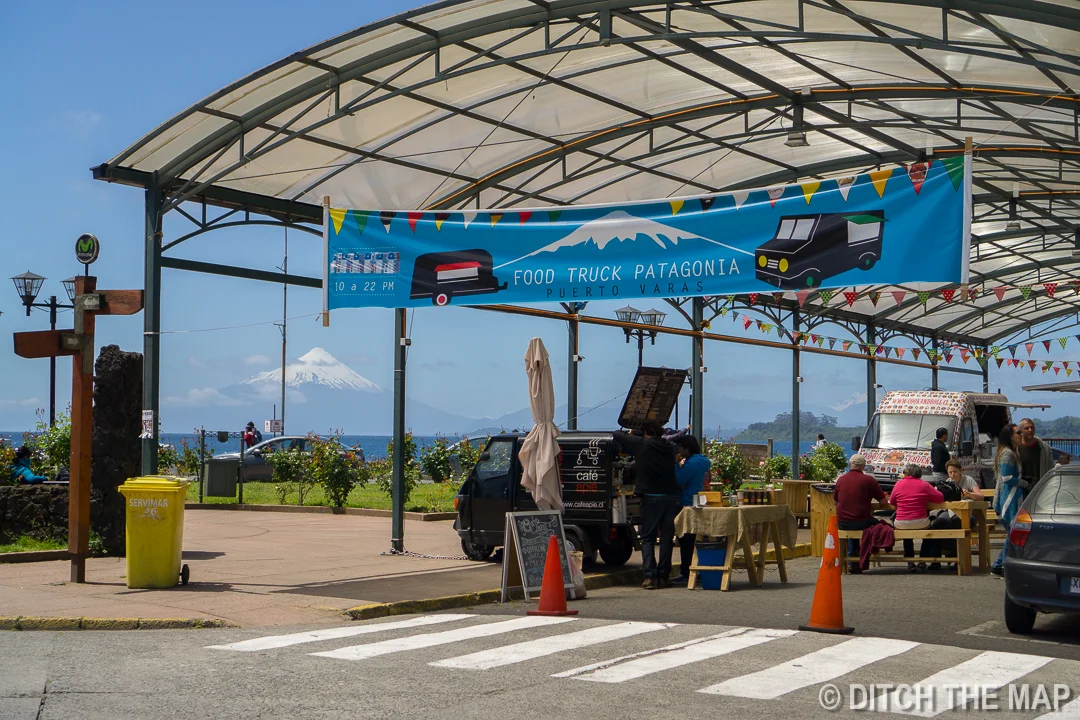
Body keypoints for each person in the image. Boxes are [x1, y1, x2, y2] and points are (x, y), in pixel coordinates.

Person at [614, 422, 680, 590]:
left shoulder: (642, 444)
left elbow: (617, 434)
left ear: (646, 433)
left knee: (648, 538)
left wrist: (633, 432)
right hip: (671, 496)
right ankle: (663, 577)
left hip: (650, 497)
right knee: (666, 538)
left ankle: (650, 577)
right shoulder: (669, 447)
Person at [833, 454, 889, 573]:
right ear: (863, 466)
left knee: (853, 525)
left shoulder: (841, 479)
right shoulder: (869, 480)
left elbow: (835, 502)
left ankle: (854, 563)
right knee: (882, 526)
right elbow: (883, 502)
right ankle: (867, 553)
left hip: (843, 522)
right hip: (862, 521)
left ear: (850, 465)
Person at [890, 463, 945, 572]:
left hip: (901, 522)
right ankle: (922, 560)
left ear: (907, 473)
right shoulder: (924, 485)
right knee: (928, 533)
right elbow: (940, 498)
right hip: (920, 521)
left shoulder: (898, 484)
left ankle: (910, 561)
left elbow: (892, 501)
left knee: (906, 534)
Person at [671, 435, 711, 586]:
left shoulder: (691, 463)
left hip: (687, 502)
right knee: (694, 539)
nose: (679, 450)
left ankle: (686, 572)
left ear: (687, 448)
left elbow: (678, 480)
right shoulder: (702, 461)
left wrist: (676, 464)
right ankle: (696, 569)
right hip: (698, 500)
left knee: (685, 539)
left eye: (681, 447)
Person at [930, 459, 984, 568]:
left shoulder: (968, 480)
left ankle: (956, 557)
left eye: (955, 472)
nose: (952, 474)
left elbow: (981, 497)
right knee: (937, 524)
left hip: (968, 513)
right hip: (950, 511)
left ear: (960, 471)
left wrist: (969, 494)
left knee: (956, 522)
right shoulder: (948, 482)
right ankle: (936, 560)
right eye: (950, 472)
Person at [992, 423, 1027, 576]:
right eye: (1018, 432)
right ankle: (1002, 565)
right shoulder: (1007, 454)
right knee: (1012, 533)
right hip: (1008, 498)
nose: (1021, 435)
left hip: (1013, 496)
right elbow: (1006, 478)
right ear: (1010, 436)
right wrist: (1024, 483)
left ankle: (999, 564)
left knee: (1012, 533)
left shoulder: (1013, 452)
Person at [1017, 418, 1053, 493]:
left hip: (1040, 489)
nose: (1030, 430)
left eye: (1032, 427)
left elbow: (1050, 469)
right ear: (1020, 431)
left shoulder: (1044, 448)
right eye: (1026, 428)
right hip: (1021, 490)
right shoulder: (1016, 448)